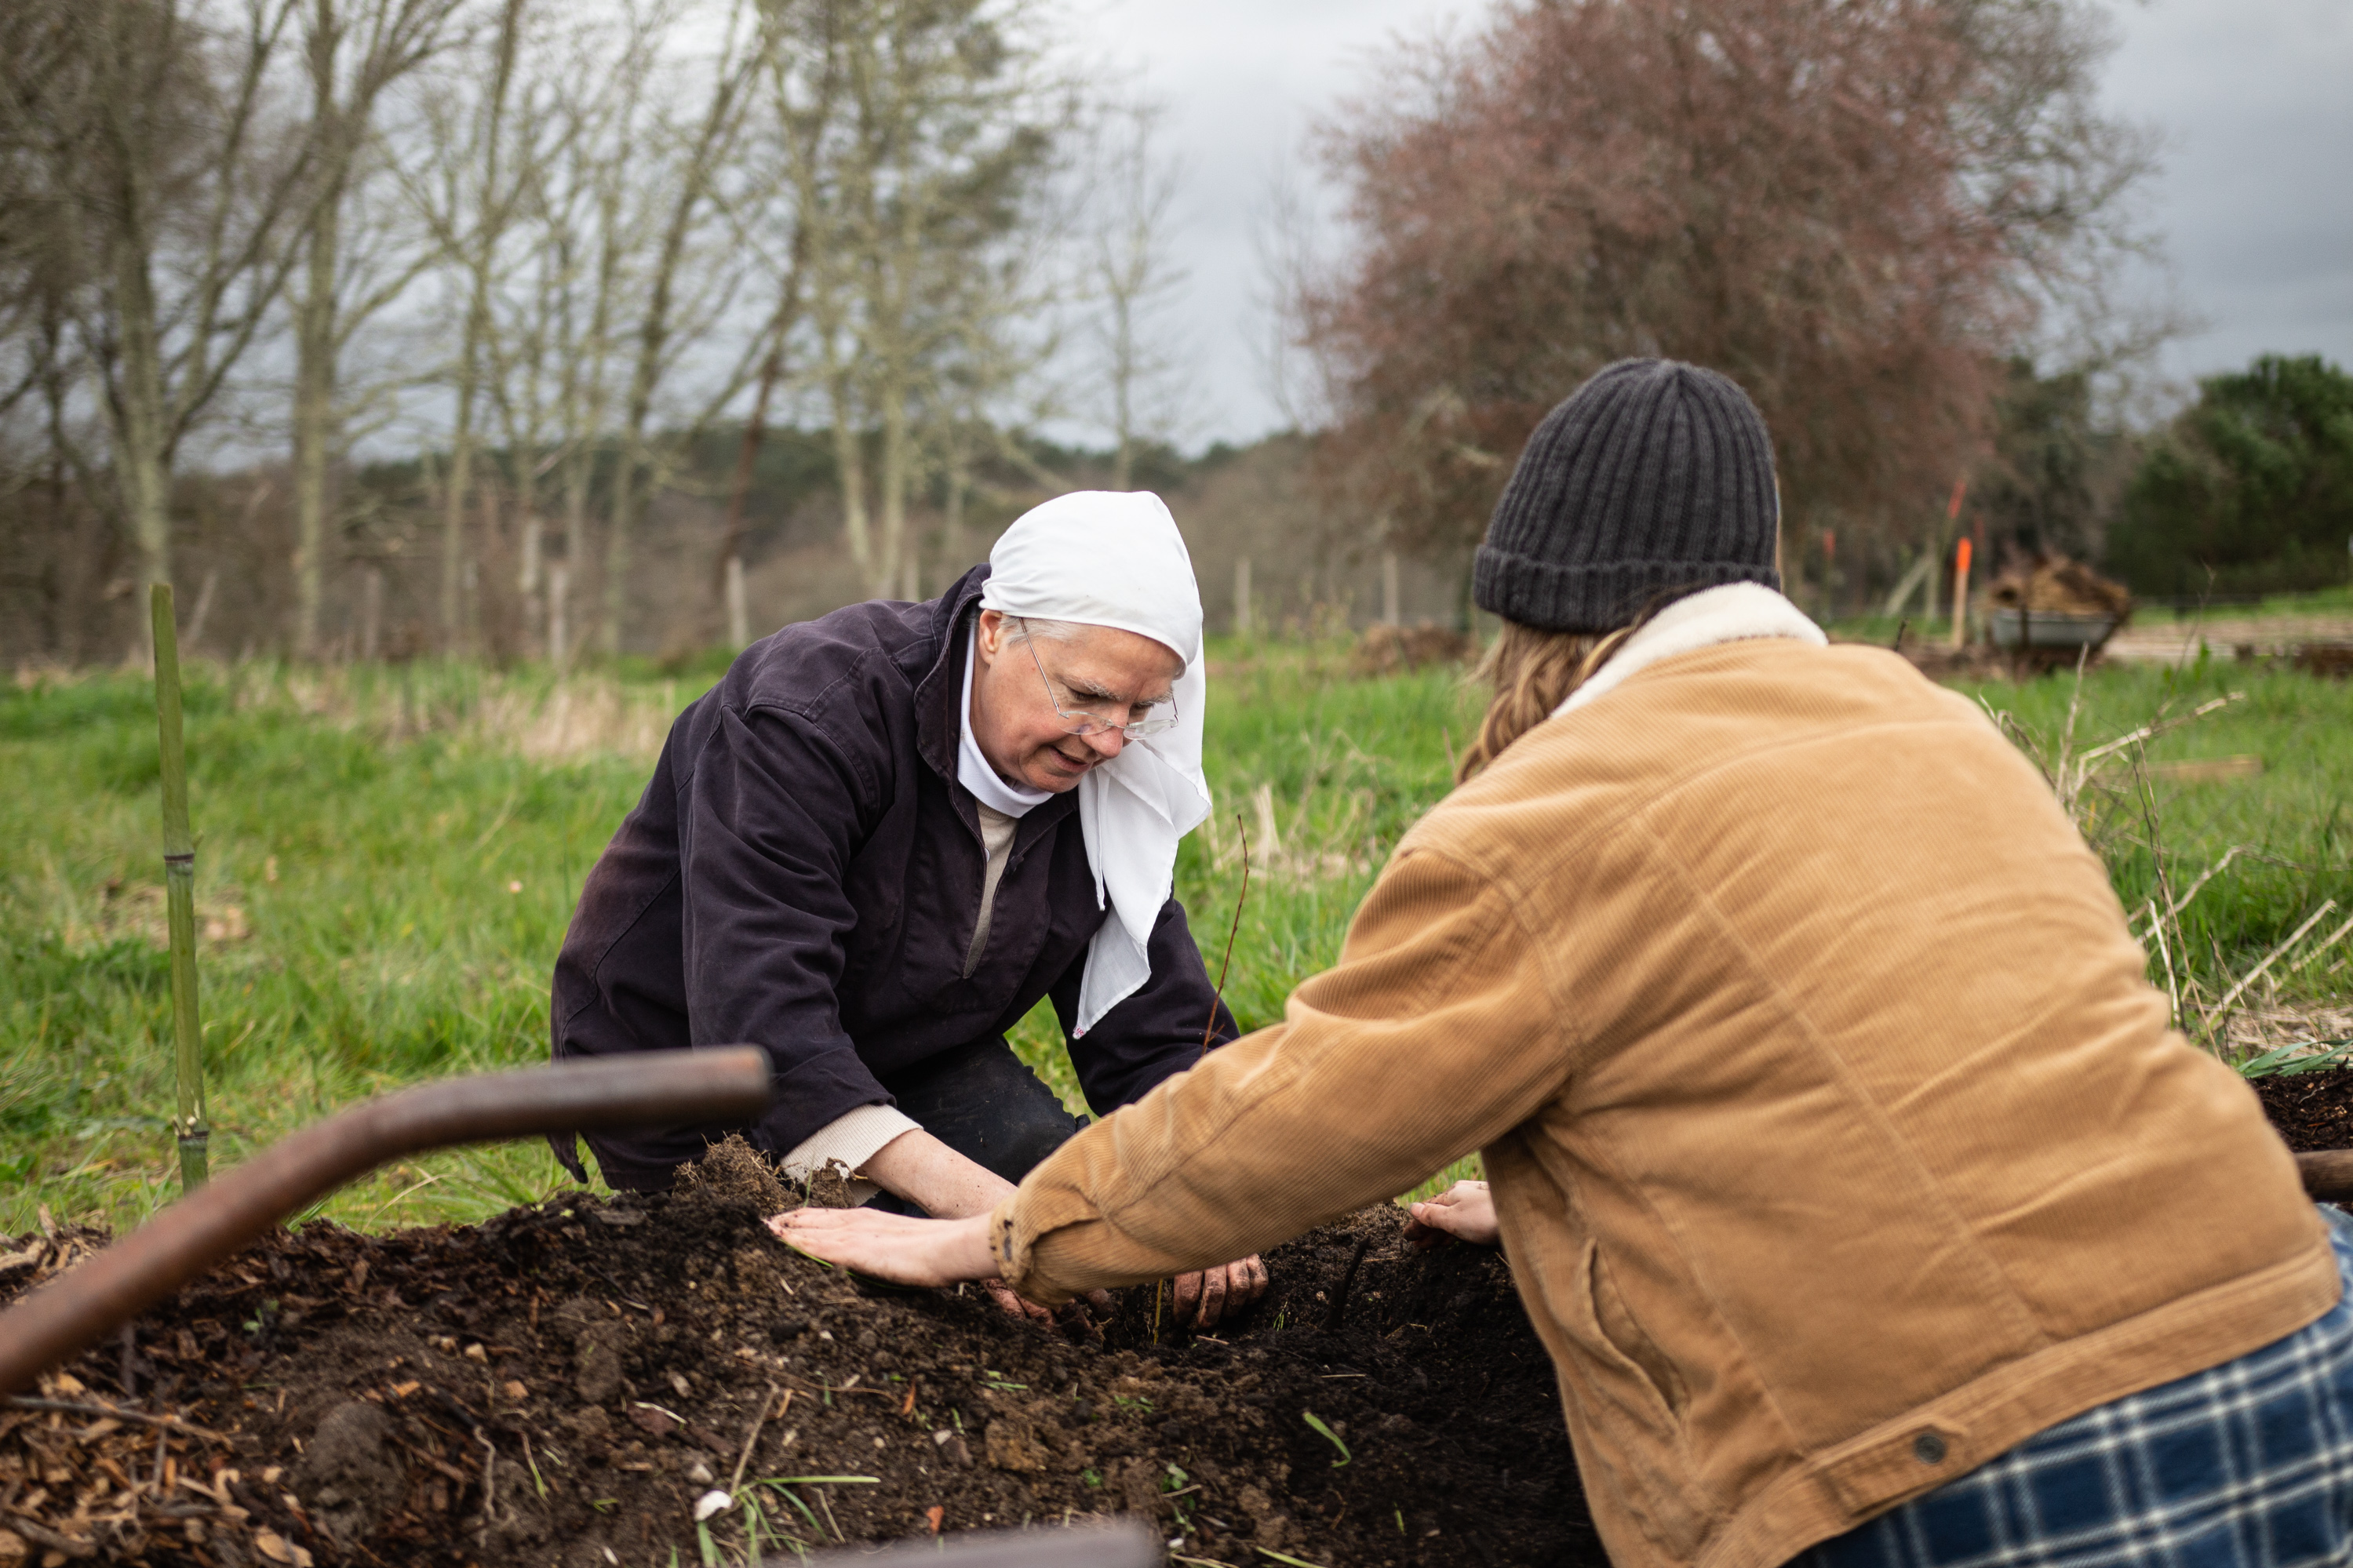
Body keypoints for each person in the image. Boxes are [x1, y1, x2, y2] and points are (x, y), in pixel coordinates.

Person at [777, 360, 2353, 1567]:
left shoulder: (1551, 813)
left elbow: (1305, 1113)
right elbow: (1900, 1061)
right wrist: (1557, 1198)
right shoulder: (1933, 725)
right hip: (2289, 1319)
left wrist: (1007, 1239)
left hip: (1993, 1453)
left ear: (1535, 617)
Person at [551, 490, 1264, 1328]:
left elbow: (1152, 1019)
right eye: (1085, 695)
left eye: (1138, 712)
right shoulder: (808, 712)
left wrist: (1204, 1190)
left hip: (908, 1049)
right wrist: (988, 1219)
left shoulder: (1099, 778)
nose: (1108, 740)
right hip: (691, 1071)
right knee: (897, 1308)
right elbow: (758, 1015)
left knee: (1083, 1220)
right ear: (996, 629)